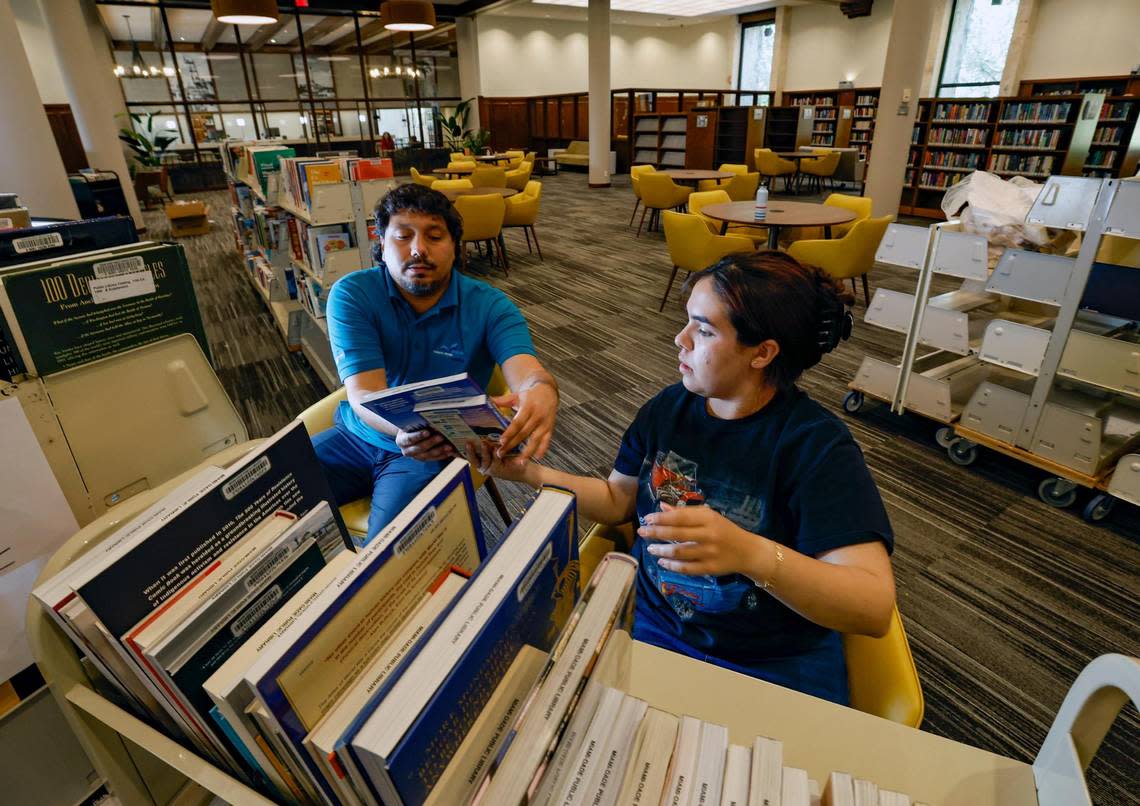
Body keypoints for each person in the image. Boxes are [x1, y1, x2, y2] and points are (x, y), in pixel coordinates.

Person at [470, 251, 895, 704]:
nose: (680, 339)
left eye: (704, 330)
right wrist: (530, 473)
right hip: (658, 633)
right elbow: (619, 500)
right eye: (687, 322)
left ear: (763, 352)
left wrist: (750, 553)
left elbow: (871, 606)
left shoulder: (815, 447)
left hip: (772, 664)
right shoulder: (667, 410)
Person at [313, 183, 559, 543]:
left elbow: (526, 370)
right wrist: (399, 431)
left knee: (390, 555)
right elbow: (364, 391)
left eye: (434, 236)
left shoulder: (490, 305)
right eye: (402, 236)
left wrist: (542, 390)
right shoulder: (353, 294)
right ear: (381, 242)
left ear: (454, 246)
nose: (418, 250)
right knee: (265, 497)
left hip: (430, 450)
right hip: (357, 435)